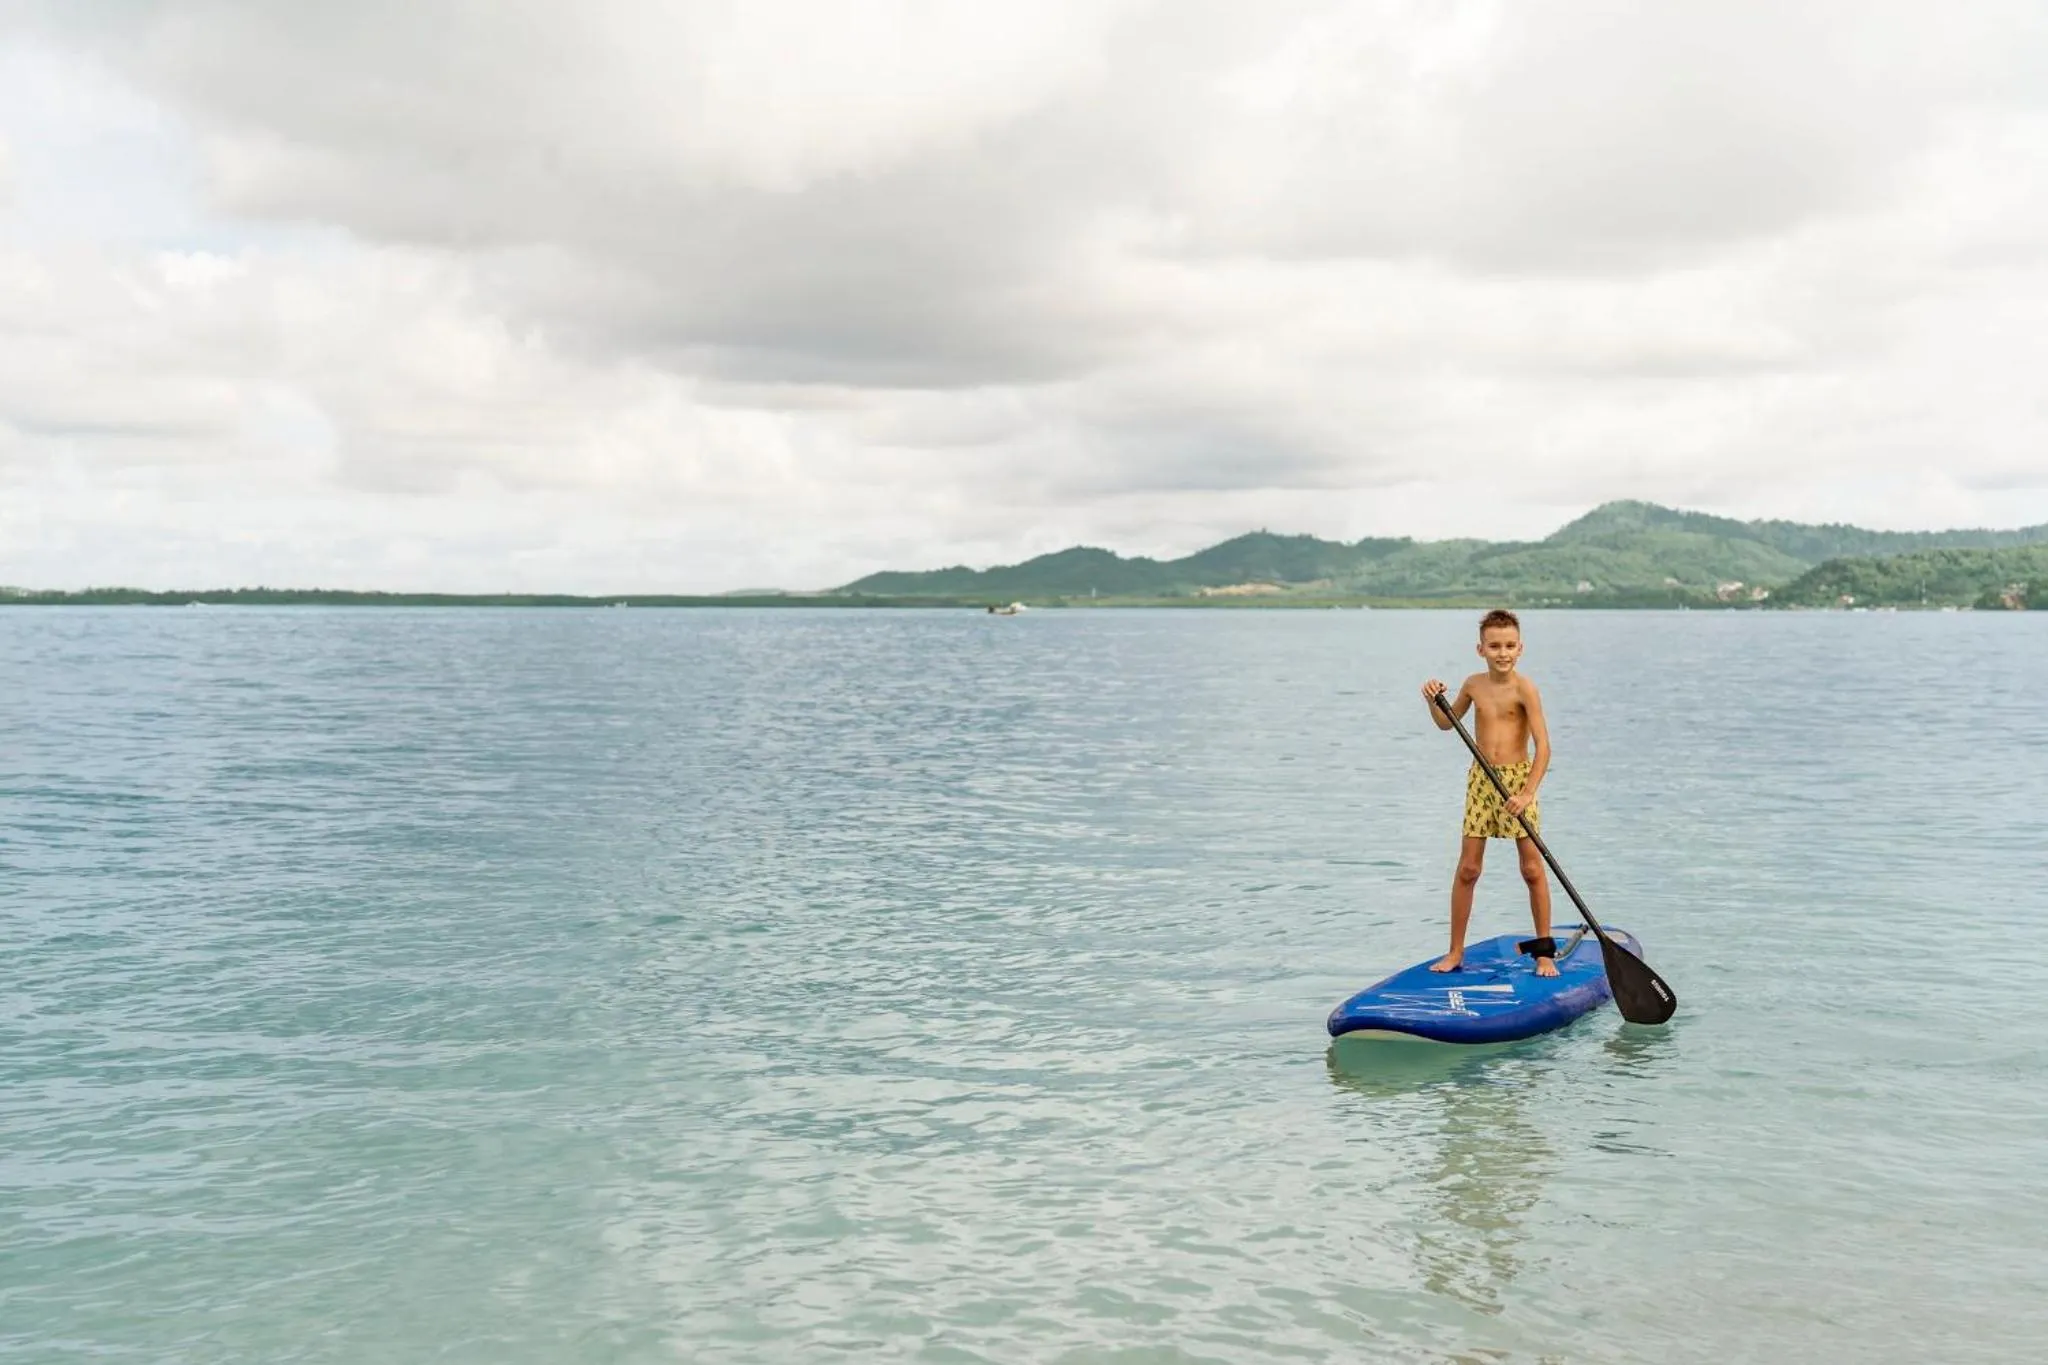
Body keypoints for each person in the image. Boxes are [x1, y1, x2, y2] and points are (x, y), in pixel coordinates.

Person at [1420, 609, 1556, 977]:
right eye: (1495, 646)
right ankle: (1455, 952)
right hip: (1481, 782)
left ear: (1520, 648)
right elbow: (1447, 724)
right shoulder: (1473, 684)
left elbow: (1544, 747)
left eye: (1510, 645)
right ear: (1480, 649)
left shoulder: (1525, 688)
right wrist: (1434, 699)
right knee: (1468, 869)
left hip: (1517, 782)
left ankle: (1544, 953)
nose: (1503, 652)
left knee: (1531, 868)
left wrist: (1527, 794)